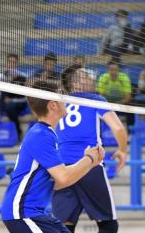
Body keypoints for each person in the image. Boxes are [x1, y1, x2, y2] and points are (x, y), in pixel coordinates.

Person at [1, 81, 105, 233]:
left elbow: (58, 182)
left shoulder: (46, 133)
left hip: (34, 213)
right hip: (23, 213)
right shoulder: (41, 135)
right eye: (61, 95)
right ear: (53, 105)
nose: (66, 99)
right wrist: (89, 159)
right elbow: (63, 178)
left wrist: (91, 162)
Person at [52, 65, 128, 233]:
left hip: (62, 170)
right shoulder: (94, 99)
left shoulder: (59, 103)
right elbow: (118, 129)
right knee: (108, 224)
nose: (91, 78)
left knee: (65, 226)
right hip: (89, 165)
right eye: (86, 75)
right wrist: (123, 150)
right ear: (76, 83)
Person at [0, 54, 27, 138]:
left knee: (7, 107)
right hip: (3, 102)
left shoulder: (22, 76)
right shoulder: (1, 76)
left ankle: (0, 113)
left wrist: (12, 100)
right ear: (7, 63)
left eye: (14, 62)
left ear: (17, 63)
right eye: (10, 62)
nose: (11, 64)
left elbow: (24, 98)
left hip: (18, 103)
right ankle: (18, 131)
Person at [97, 61, 133, 127]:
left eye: (115, 70)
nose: (113, 72)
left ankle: (128, 129)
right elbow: (100, 96)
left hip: (121, 104)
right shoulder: (103, 78)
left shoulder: (124, 78)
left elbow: (128, 97)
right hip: (107, 104)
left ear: (118, 70)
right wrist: (109, 105)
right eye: (111, 70)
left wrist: (118, 103)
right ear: (108, 70)